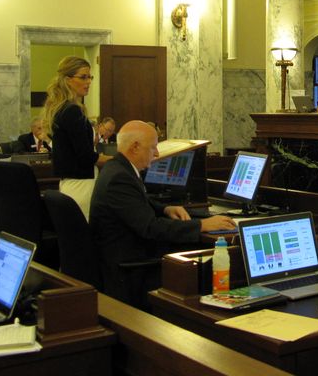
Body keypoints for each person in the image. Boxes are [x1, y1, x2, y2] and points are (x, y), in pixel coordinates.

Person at [90, 120, 236, 306]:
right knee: (204, 258)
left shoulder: (117, 168)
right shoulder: (120, 177)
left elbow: (139, 201)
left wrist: (165, 208)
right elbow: (150, 227)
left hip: (124, 252)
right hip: (129, 265)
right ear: (135, 147)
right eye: (153, 148)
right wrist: (202, 225)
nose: (157, 153)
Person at [43, 56, 111, 220]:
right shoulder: (72, 111)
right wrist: (120, 159)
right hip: (82, 185)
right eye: (83, 77)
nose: (88, 82)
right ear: (67, 80)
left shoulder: (60, 109)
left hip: (69, 184)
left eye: (90, 77)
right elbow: (86, 156)